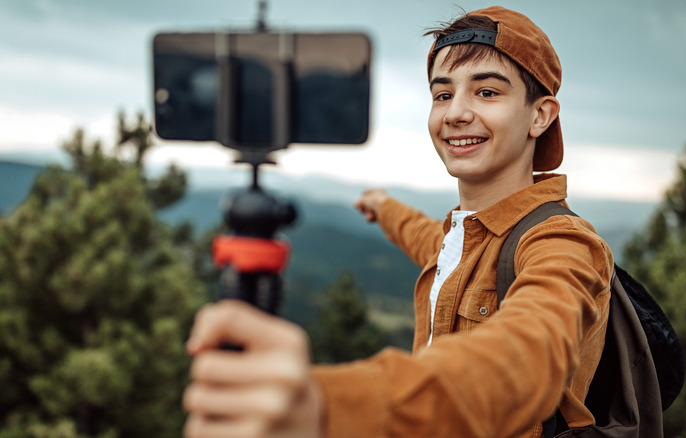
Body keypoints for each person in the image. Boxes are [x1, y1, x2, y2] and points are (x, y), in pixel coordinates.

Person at [182, 6, 614, 438]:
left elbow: (526, 359)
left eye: (487, 92)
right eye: (443, 94)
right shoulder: (465, 239)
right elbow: (431, 240)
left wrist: (328, 407)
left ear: (540, 115)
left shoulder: (564, 244)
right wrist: (384, 208)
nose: (455, 114)